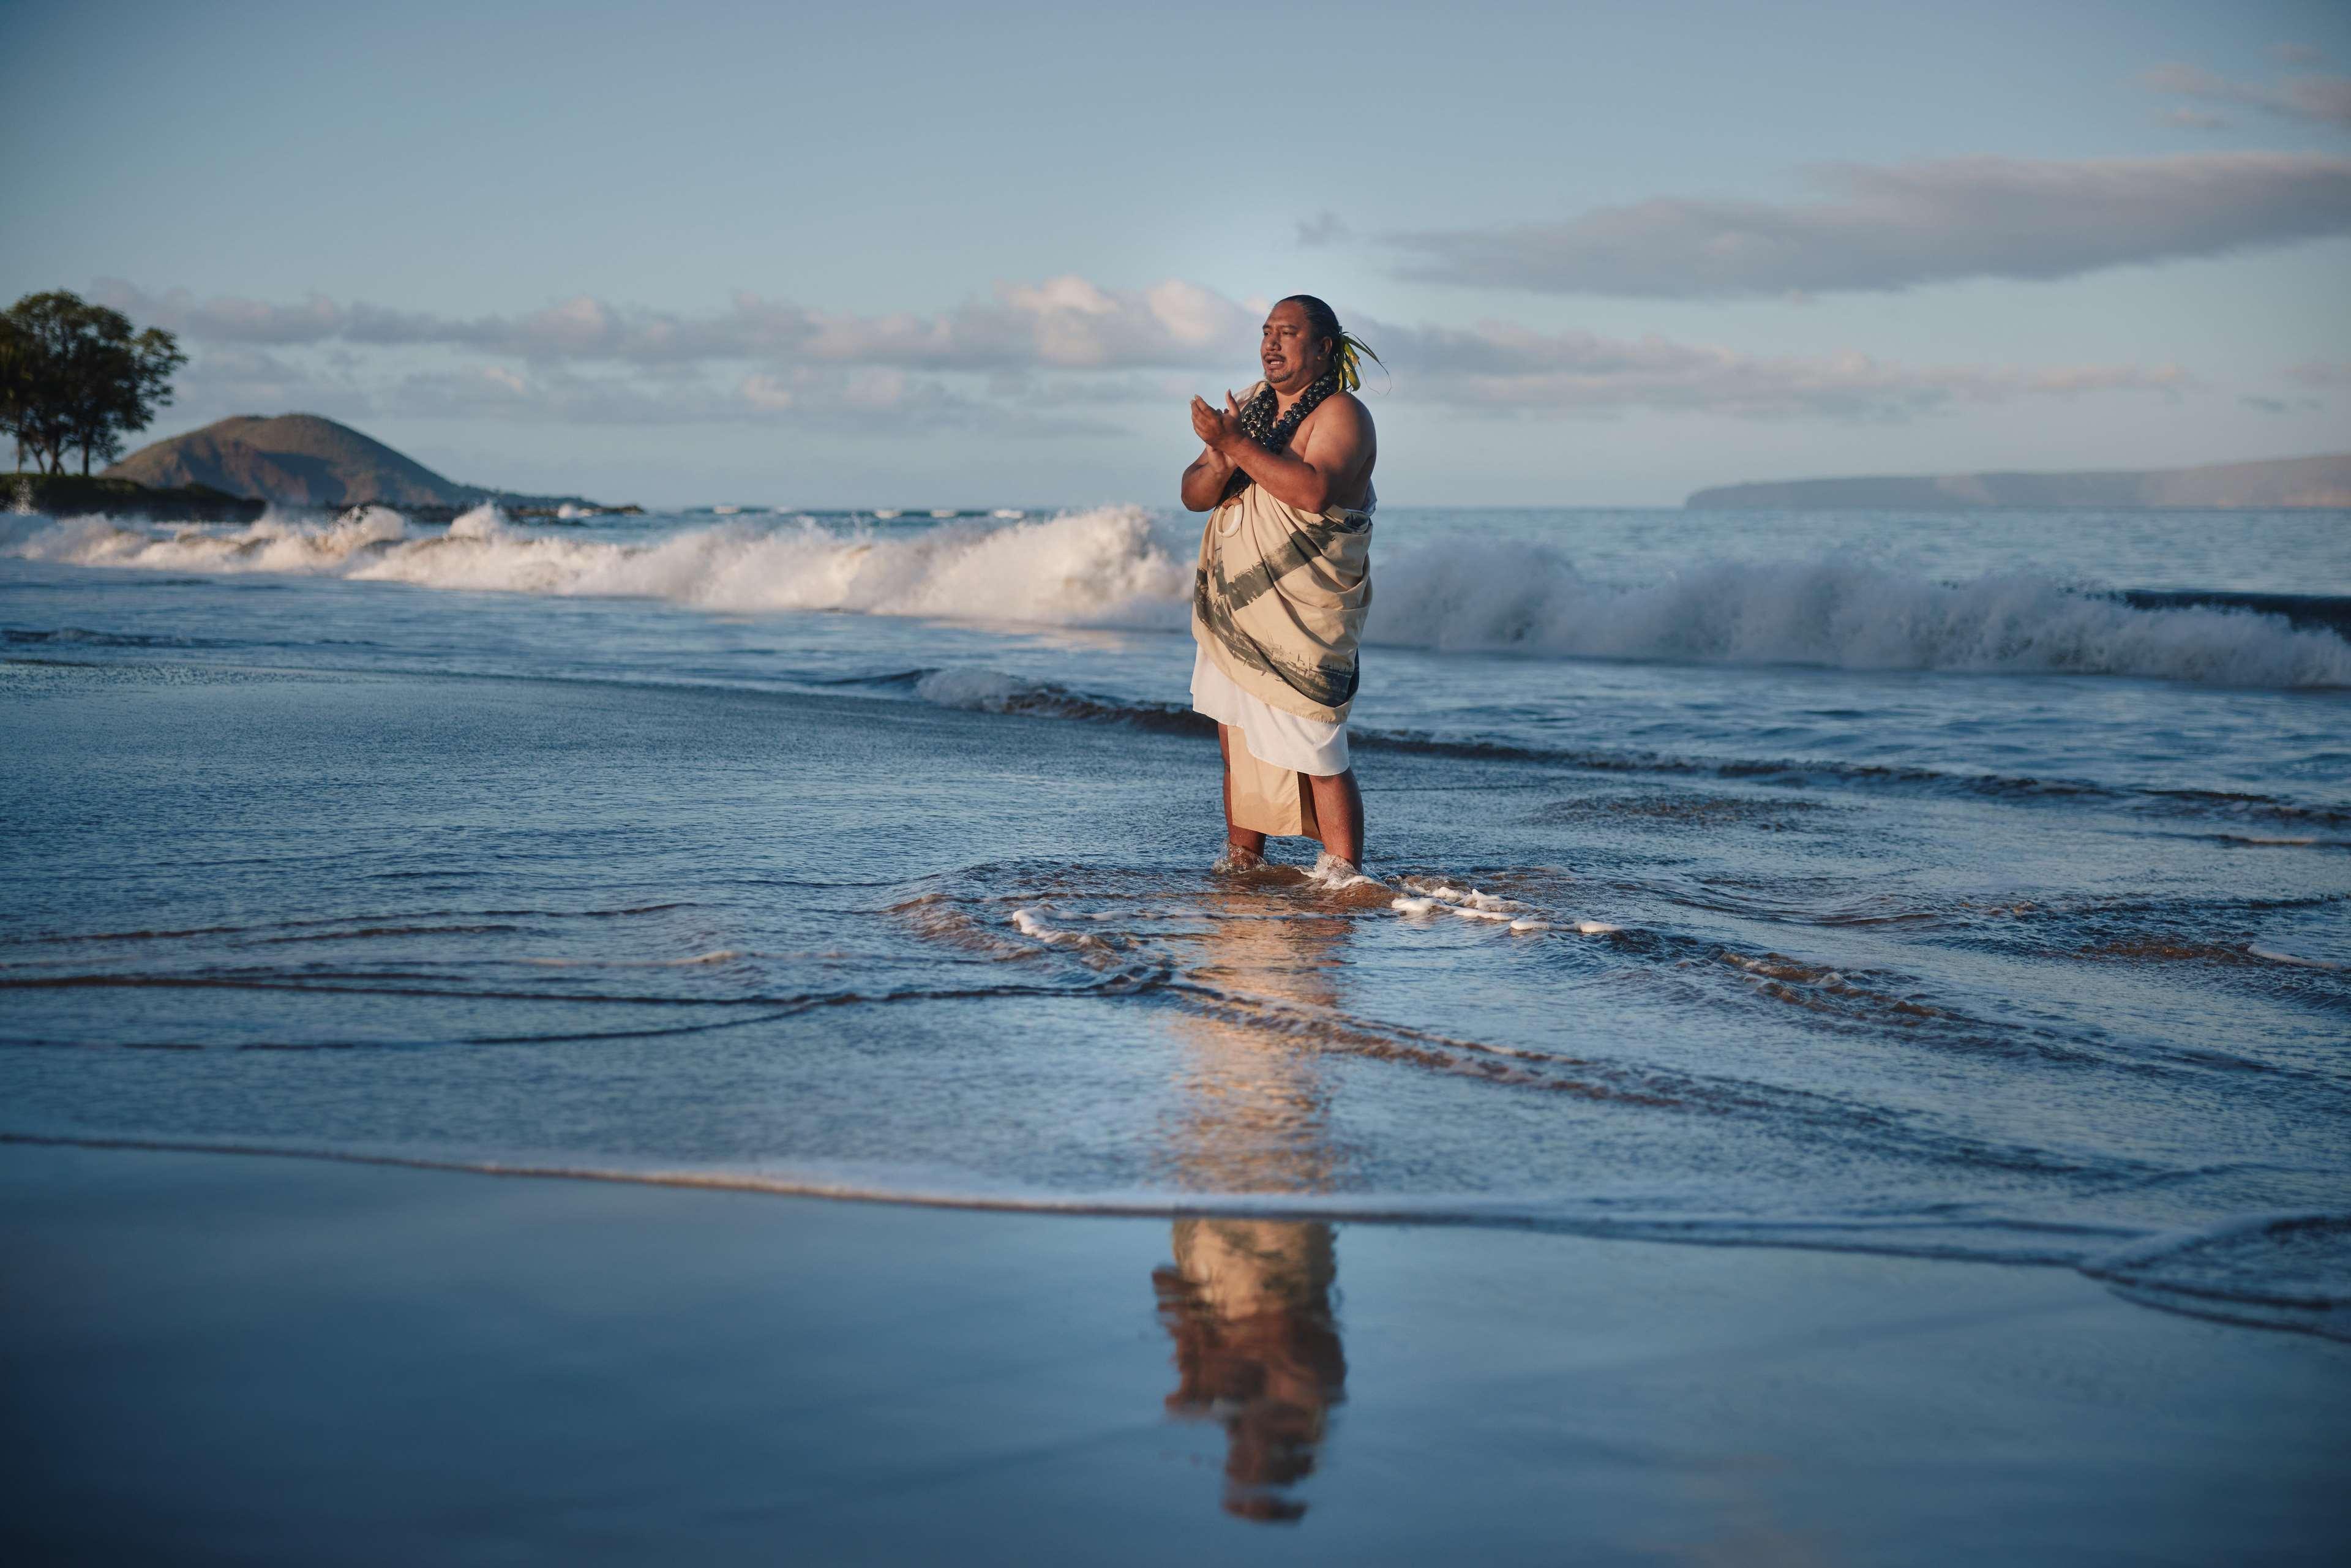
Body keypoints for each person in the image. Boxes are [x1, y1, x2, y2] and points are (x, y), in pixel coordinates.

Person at [1182, 295, 1379, 882]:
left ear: (1323, 347)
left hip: (1303, 612)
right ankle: (1244, 861)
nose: (1271, 343)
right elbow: (1193, 493)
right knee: (1236, 741)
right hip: (1237, 609)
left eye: (1287, 332)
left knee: (1318, 749)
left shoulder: (1343, 414)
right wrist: (1219, 456)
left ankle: (1344, 876)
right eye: (1267, 331)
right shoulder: (1248, 407)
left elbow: (1315, 492)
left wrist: (1237, 444)